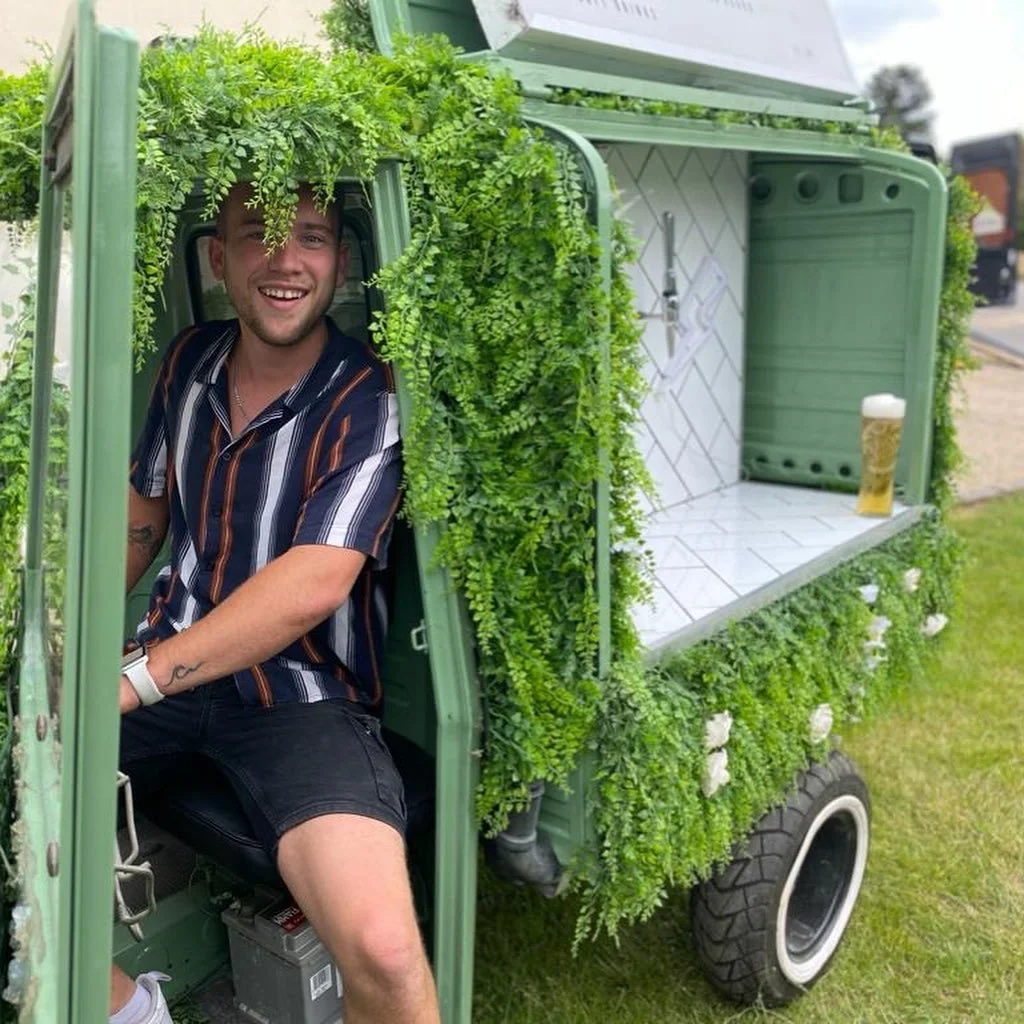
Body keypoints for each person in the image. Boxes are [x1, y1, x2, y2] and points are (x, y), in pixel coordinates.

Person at [108, 182, 439, 1024]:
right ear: (218, 259)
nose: (287, 259)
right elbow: (142, 520)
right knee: (20, 782)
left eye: (314, 238)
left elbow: (312, 586)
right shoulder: (188, 360)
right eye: (258, 234)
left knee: (391, 957)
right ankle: (126, 1009)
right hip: (166, 676)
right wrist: (53, 627)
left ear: (343, 262)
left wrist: (136, 680)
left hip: (301, 703)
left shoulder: (371, 396)